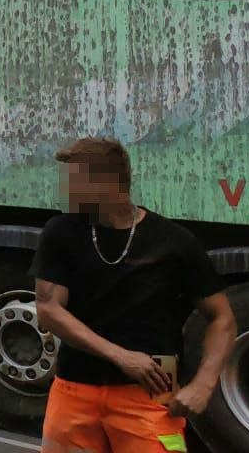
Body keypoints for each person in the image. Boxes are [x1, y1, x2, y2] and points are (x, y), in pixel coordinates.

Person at [33, 137, 236, 453]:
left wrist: (204, 385)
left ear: (108, 184)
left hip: (153, 391)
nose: (64, 191)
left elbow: (222, 317)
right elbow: (48, 308)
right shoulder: (60, 232)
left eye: (73, 182)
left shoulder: (174, 241)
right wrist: (120, 355)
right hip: (75, 388)